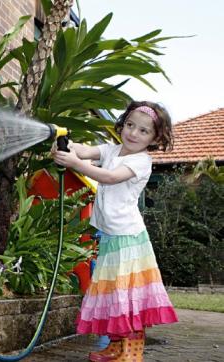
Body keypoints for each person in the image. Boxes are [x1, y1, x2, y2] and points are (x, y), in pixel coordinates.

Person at [52, 101, 178, 362]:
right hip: (111, 236)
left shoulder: (141, 161)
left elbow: (109, 177)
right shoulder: (111, 150)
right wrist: (63, 143)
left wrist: (74, 163)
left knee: (128, 296)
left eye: (144, 131)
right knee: (114, 294)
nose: (133, 133)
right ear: (123, 123)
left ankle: (131, 352)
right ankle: (115, 345)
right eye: (130, 125)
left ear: (155, 138)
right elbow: (84, 150)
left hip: (129, 238)